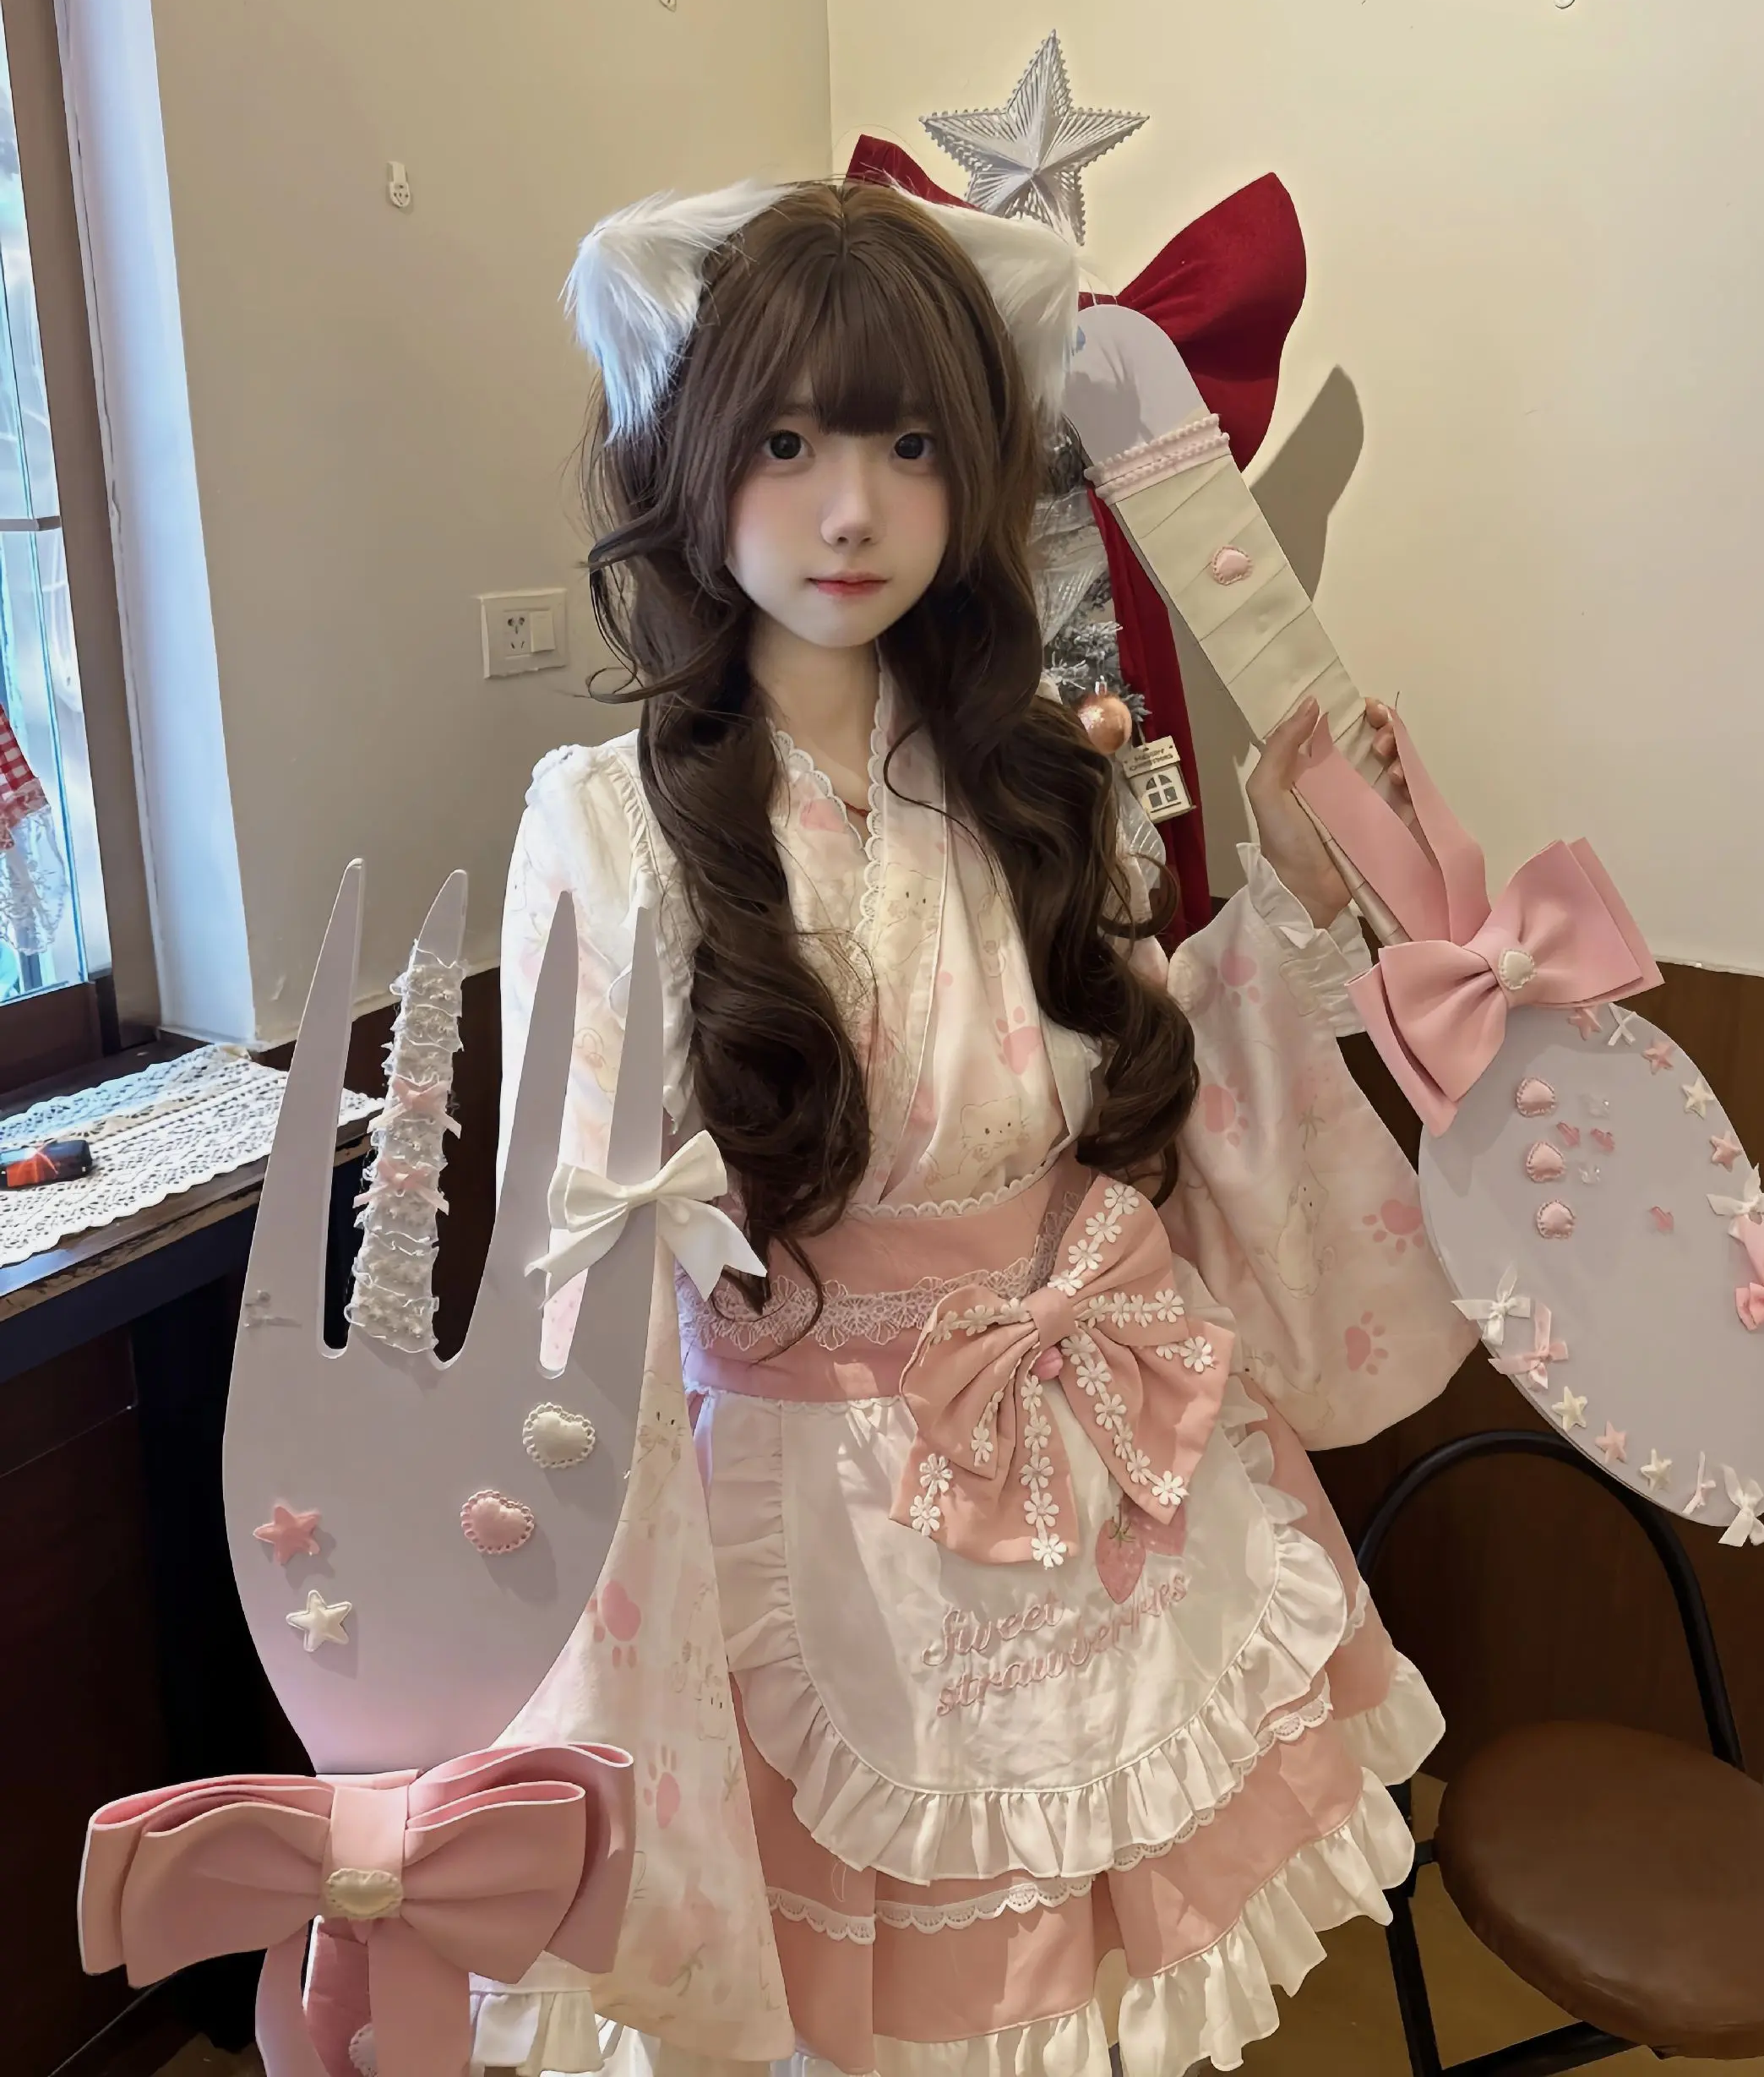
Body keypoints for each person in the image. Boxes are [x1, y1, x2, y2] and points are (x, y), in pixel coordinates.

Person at [480, 179, 1476, 2077]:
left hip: (1107, 1465)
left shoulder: (1040, 781)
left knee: (1104, 1983)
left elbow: (1141, 1076)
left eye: (908, 446)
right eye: (787, 445)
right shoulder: (606, 823)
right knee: (875, 2013)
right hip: (817, 1516)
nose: (851, 510)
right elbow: (579, 1248)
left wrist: (1291, 887)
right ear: (691, 461)